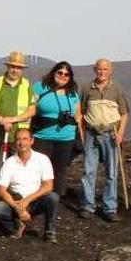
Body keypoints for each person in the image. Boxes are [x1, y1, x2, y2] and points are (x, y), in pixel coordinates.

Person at [79, 58, 130, 222]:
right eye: (99, 69)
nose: (102, 72)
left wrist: (121, 133)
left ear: (110, 71)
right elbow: (80, 111)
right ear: (95, 70)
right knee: (89, 172)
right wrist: (82, 132)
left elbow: (124, 114)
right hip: (91, 134)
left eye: (105, 69)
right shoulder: (87, 88)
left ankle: (110, 208)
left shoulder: (117, 89)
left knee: (111, 173)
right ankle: (88, 206)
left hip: (111, 134)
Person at [0, 129, 59, 243]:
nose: (21, 142)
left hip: (35, 200)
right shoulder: (9, 162)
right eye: (18, 139)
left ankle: (50, 232)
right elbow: (1, 190)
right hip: (16, 201)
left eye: (25, 139)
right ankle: (15, 228)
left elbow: (48, 186)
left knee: (53, 197)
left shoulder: (42, 159)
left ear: (32, 141)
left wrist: (28, 200)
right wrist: (18, 207)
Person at [31, 61, 81, 200]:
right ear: (54, 72)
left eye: (67, 74)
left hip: (66, 138)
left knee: (60, 170)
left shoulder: (73, 93)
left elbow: (78, 115)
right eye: (60, 72)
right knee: (39, 169)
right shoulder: (39, 87)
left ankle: (54, 201)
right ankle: (35, 199)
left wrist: (79, 134)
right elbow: (31, 108)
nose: (63, 76)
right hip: (42, 136)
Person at [0, 51, 36, 179]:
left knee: (17, 165)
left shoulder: (27, 85)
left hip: (18, 134)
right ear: (7, 67)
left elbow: (31, 110)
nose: (15, 70)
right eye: (12, 66)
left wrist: (12, 120)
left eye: (18, 68)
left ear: (22, 69)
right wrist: (1, 120)